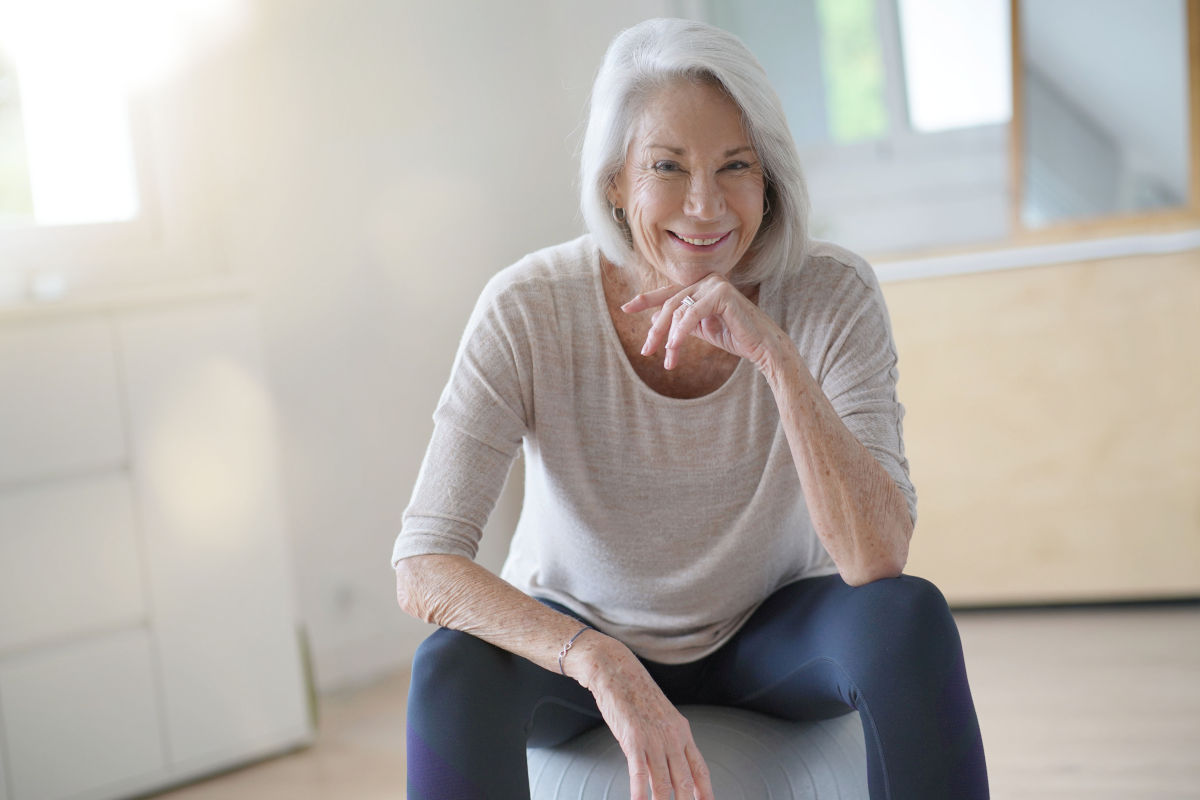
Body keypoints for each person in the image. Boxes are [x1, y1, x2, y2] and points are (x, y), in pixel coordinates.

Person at [393, 17, 988, 800]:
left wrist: (775, 355)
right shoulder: (529, 307)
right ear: (616, 182)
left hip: (767, 629)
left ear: (768, 178)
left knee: (908, 618)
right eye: (667, 167)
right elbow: (425, 564)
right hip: (581, 628)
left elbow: (875, 557)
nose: (705, 207)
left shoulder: (830, 293)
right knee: (449, 666)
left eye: (735, 166)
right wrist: (597, 659)